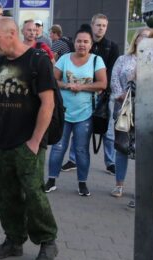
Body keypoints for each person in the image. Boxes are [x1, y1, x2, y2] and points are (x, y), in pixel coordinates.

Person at [0, 17, 59, 260]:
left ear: (12, 34)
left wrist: (35, 142)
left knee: (33, 193)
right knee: (6, 194)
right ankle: (13, 240)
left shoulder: (37, 60)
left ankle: (47, 241)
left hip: (28, 142)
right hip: (2, 143)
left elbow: (48, 103)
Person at [44, 26, 107, 196]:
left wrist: (82, 87)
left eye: (86, 42)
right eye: (79, 41)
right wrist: (66, 85)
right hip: (63, 112)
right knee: (58, 147)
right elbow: (53, 79)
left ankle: (82, 183)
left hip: (84, 114)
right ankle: (51, 180)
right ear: (74, 43)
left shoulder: (96, 60)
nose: (82, 44)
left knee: (81, 149)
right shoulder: (64, 58)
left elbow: (102, 84)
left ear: (91, 44)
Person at [65, 13, 121, 175]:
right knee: (79, 126)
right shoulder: (82, 43)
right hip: (81, 94)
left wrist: (102, 88)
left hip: (103, 94)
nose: (101, 28)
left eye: (104, 25)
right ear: (92, 25)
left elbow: (112, 72)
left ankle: (110, 162)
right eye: (98, 25)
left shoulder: (111, 46)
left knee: (107, 131)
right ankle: (73, 159)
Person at [108, 28, 150, 200]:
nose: (146, 39)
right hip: (125, 108)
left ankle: (139, 191)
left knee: (143, 151)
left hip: (146, 110)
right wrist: (120, 94)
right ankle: (119, 185)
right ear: (136, 39)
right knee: (122, 147)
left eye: (150, 37)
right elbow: (114, 78)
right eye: (143, 36)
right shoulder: (123, 59)